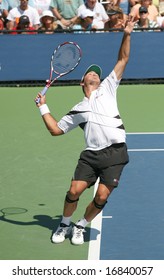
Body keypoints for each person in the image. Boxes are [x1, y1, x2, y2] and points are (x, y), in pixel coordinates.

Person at [34, 16, 135, 245]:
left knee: (102, 196)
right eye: (90, 72)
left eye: (97, 73)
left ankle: (80, 226)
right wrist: (43, 107)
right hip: (91, 155)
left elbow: (123, 58)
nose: (94, 74)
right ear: (82, 81)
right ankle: (64, 224)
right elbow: (56, 130)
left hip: (116, 152)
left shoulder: (108, 89)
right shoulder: (77, 109)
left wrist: (127, 33)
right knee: (73, 192)